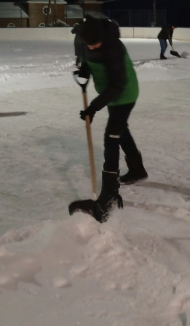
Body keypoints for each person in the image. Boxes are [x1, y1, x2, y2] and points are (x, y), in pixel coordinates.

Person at [68, 15, 146, 223]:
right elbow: (88, 60)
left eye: (95, 44)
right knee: (120, 130)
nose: (91, 48)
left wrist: (93, 108)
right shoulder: (88, 41)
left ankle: (109, 196)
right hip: (109, 94)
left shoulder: (114, 49)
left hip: (124, 94)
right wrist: (84, 69)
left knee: (111, 138)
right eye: (88, 45)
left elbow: (117, 86)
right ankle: (137, 168)